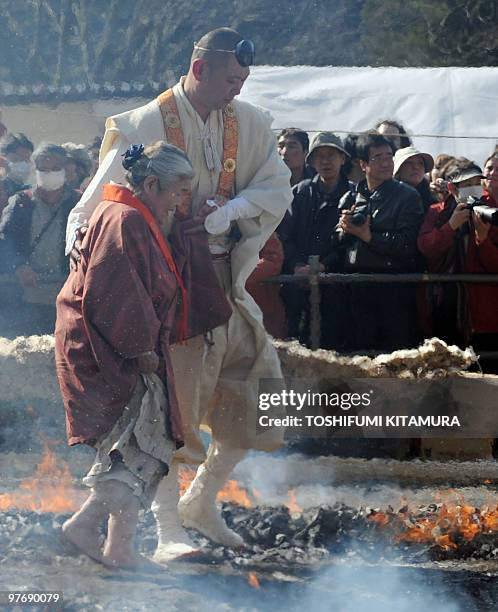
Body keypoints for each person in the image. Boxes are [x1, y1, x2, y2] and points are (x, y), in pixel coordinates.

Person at [64, 27, 292, 562]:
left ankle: (201, 502)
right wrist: (79, 250)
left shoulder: (252, 123)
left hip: (226, 284)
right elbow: (93, 204)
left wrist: (231, 212)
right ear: (199, 69)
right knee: (171, 414)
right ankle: (167, 530)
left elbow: (276, 184)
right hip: (167, 295)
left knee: (258, 397)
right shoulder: (144, 125)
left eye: (244, 79)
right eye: (231, 78)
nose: (239, 88)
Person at [56, 142, 197, 570]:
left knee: (139, 444)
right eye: (176, 192)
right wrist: (139, 348)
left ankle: (120, 549)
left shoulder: (127, 212)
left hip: (119, 343)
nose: (180, 202)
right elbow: (115, 289)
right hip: (116, 347)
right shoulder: (127, 218)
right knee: (137, 447)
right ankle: (83, 526)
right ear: (150, 183)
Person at [335, 132, 424, 352]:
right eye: (378, 158)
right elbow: (335, 242)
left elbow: (407, 244)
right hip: (356, 286)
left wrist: (368, 236)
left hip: (393, 288)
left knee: (396, 357)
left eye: (389, 156)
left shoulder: (407, 196)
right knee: (361, 354)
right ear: (363, 164)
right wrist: (345, 228)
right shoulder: (352, 196)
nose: (386, 162)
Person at [418, 158, 498, 352]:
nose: (474, 189)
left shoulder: (490, 212)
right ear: (453, 188)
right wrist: (450, 227)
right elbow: (426, 248)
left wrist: (483, 238)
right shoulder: (436, 212)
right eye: (467, 185)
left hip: (484, 314)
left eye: (476, 183)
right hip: (446, 308)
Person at [280, 131, 352, 347]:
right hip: (298, 282)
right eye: (320, 156)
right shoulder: (299, 193)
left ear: (343, 159)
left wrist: (325, 264)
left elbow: (351, 242)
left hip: (337, 283)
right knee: (297, 343)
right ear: (311, 161)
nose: (326, 161)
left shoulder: (354, 195)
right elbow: (285, 235)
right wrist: (296, 265)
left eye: (331, 155)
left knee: (337, 345)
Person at [0, 143, 80, 334]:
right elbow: (5, 238)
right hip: (26, 295)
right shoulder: (21, 202)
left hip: (64, 295)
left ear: (65, 170)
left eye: (55, 169)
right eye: (43, 169)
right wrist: (19, 265)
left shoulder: (78, 203)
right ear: (36, 171)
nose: (49, 174)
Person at [246, 232, 287, 339]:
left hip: (264, 307)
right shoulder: (228, 230)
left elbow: (273, 262)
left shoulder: (266, 230)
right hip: (238, 306)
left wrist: (240, 272)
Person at [393, 146, 438, 212]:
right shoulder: (389, 198)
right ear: (398, 170)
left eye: (420, 163)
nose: (416, 167)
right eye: (409, 162)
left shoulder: (431, 198)